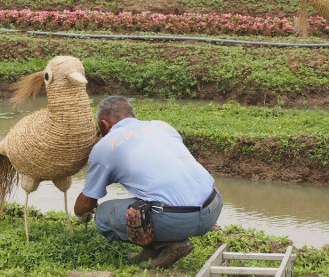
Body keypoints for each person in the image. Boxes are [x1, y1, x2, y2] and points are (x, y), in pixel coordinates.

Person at [74, 96, 222, 268]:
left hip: (177, 219)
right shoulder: (162, 126)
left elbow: (86, 203)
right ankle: (151, 250)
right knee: (148, 201)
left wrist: (80, 214)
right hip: (213, 207)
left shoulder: (106, 145)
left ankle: (167, 245)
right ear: (132, 115)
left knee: (104, 215)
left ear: (104, 125)